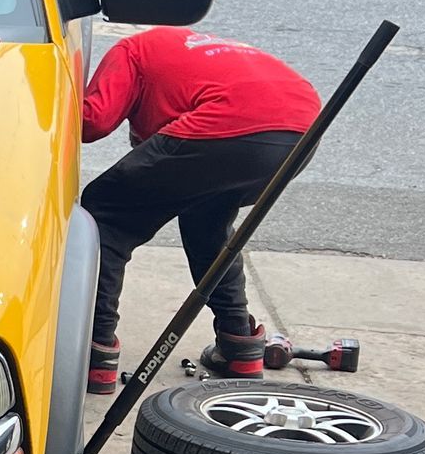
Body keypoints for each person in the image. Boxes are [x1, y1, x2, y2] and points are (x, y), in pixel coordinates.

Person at [79, 24, 321, 392]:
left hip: (228, 120)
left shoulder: (130, 51)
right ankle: (239, 347)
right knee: (207, 220)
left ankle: (94, 353)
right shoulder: (189, 56)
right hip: (300, 131)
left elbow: (92, 120)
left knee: (107, 214)